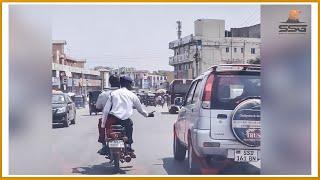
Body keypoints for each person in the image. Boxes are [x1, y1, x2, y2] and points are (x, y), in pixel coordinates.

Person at [101, 75, 154, 156]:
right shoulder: (132, 95)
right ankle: (129, 145)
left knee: (107, 131)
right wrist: (147, 115)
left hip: (113, 119)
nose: (131, 86)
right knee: (130, 126)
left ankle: (105, 146)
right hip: (125, 121)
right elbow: (140, 110)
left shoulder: (113, 94)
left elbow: (106, 110)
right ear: (128, 84)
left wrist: (103, 124)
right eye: (131, 84)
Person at [96, 74, 120, 155]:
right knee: (129, 124)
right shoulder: (124, 94)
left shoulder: (103, 94)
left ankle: (103, 145)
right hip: (121, 118)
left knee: (101, 124)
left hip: (107, 119)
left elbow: (98, 106)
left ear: (109, 83)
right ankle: (129, 144)